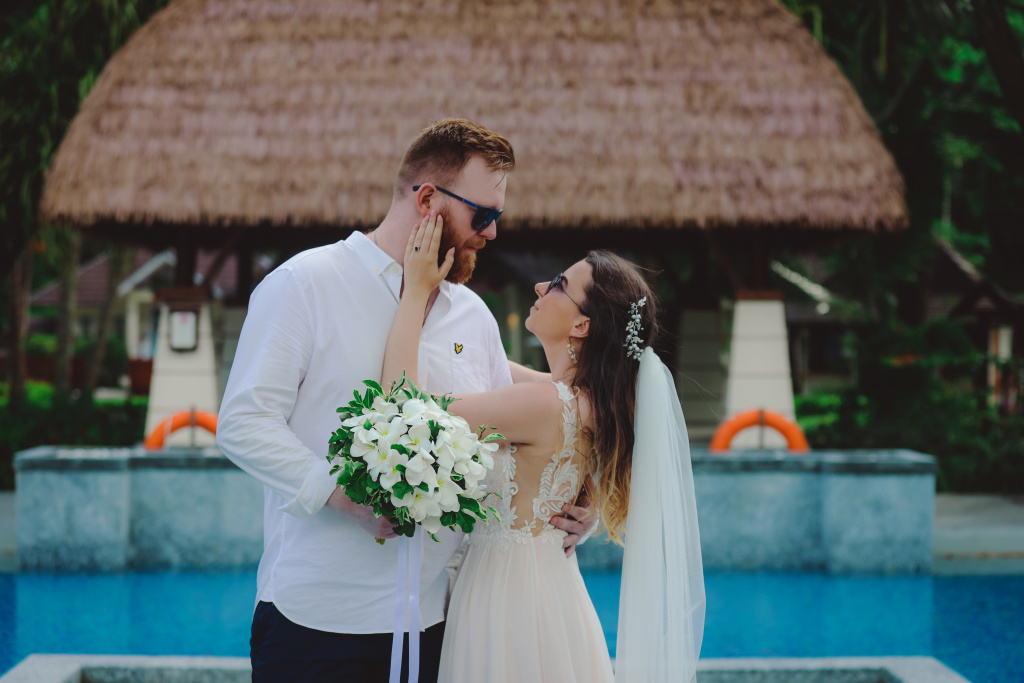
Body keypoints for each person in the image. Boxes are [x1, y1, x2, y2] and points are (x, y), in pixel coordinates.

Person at [216, 118, 594, 683]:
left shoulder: (474, 316)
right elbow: (243, 423)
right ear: (427, 200)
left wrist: (568, 508)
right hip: (316, 622)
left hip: (439, 625)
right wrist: (342, 495)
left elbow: (511, 444)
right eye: (482, 215)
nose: (491, 233)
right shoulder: (304, 285)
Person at [382, 214, 706, 682]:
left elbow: (401, 407)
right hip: (548, 588)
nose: (539, 286)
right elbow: (485, 365)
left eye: (559, 285)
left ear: (582, 324)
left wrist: (414, 292)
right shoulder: (588, 402)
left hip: (507, 596)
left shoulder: (543, 403)